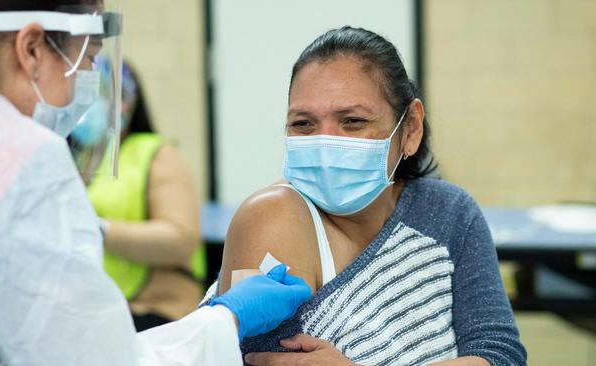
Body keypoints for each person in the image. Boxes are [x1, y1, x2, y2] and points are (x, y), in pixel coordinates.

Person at [0, 2, 311, 365]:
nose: (87, 93)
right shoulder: (20, 157)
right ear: (30, 49)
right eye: (88, 60)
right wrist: (227, 318)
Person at [206, 27, 527, 365]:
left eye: (353, 121)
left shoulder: (448, 212)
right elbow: (259, 358)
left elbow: (499, 354)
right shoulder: (271, 217)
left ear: (411, 128)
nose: (326, 143)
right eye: (303, 124)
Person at [83, 61, 205, 331]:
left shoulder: (156, 153)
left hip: (155, 308)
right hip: (99, 308)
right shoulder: (83, 158)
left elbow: (180, 239)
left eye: (95, 97)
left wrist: (99, 230)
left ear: (125, 104)